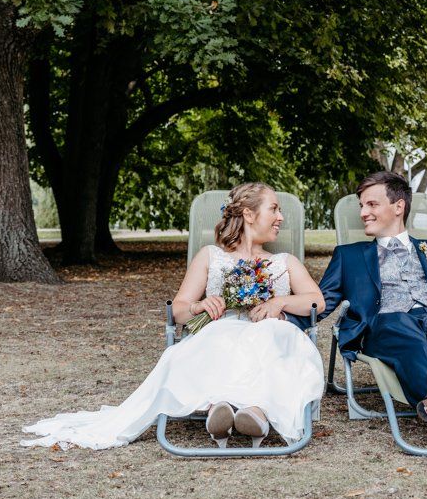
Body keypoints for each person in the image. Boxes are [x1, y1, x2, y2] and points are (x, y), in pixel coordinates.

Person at [21, 183, 325, 450]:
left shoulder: (284, 262)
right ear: (248, 214)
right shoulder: (211, 256)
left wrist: (281, 302)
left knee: (268, 338)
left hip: (269, 331)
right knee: (219, 340)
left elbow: (317, 302)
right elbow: (179, 309)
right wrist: (199, 307)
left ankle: (252, 412)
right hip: (222, 331)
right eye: (274, 209)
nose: (281, 217)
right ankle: (223, 409)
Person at [311, 171, 427, 447]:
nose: (363, 213)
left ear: (398, 207)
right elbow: (320, 302)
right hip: (385, 325)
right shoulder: (349, 255)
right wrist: (281, 313)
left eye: (371, 204)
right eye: (361, 206)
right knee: (401, 325)